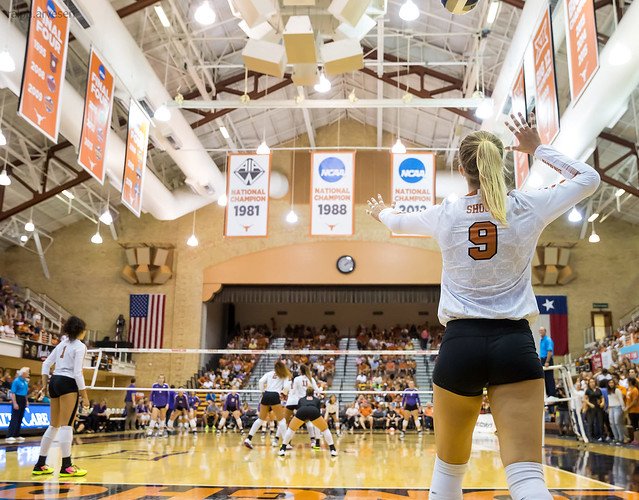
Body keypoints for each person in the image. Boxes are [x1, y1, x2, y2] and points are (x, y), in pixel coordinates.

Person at [367, 112, 600, 500]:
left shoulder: (447, 213)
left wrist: (381, 213)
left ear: (462, 169)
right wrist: (537, 148)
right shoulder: (527, 206)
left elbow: (398, 222)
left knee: (447, 476)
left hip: (460, 345)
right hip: (514, 343)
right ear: (501, 162)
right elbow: (589, 179)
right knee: (527, 481)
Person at [32, 316, 89, 477]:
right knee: (66, 426)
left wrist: (44, 383)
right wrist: (84, 395)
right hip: (68, 383)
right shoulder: (80, 346)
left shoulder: (62, 344)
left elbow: (45, 364)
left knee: (54, 425)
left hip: (54, 381)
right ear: (80, 331)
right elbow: (77, 372)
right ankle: (66, 466)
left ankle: (40, 464)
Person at [243, 360, 291, 449]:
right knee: (281, 420)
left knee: (261, 419)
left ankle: (248, 439)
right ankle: (285, 443)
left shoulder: (269, 373)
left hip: (266, 394)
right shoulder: (284, 375)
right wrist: (283, 393)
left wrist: (262, 391)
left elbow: (261, 381)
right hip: (275, 395)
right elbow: (287, 387)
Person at [278, 387, 337, 457]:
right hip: (313, 411)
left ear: (306, 393)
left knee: (291, 429)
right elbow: (317, 412)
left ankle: (283, 449)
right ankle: (332, 449)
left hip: (302, 411)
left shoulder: (301, 399)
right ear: (313, 393)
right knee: (325, 429)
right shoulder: (317, 400)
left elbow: (299, 410)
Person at [284, 365, 321, 447]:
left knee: (293, 424)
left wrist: (290, 396)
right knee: (310, 422)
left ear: (301, 371)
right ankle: (314, 441)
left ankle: (286, 442)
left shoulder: (297, 379)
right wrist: (320, 393)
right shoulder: (311, 379)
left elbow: (293, 391)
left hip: (300, 402)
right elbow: (317, 390)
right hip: (310, 402)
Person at [6, 367, 30, 443]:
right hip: (17, 399)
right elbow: (13, 393)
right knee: (15, 418)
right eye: (27, 372)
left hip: (23, 399)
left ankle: (16, 434)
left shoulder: (25, 382)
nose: (28, 374)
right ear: (23, 373)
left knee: (20, 417)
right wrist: (15, 403)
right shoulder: (16, 381)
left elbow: (25, 393)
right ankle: (10, 435)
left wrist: (26, 401)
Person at [606, 378, 625, 444]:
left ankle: (621, 438)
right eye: (609, 383)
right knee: (612, 423)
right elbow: (609, 400)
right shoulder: (607, 391)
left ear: (614, 383)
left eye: (612, 382)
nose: (611, 384)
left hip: (618, 407)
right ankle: (616, 438)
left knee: (617, 423)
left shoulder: (617, 390)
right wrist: (608, 408)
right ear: (608, 384)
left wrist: (623, 408)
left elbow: (621, 399)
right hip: (611, 408)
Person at [539, 327, 556, 399]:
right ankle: (547, 395)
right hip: (542, 360)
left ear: (545, 331)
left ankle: (552, 395)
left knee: (549, 378)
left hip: (547, 360)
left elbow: (549, 351)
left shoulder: (548, 340)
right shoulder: (541, 340)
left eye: (542, 330)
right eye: (540, 330)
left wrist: (547, 361)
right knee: (544, 378)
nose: (540, 332)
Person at [626, 378, 639, 445]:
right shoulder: (629, 389)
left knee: (635, 425)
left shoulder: (635, 390)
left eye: (627, 381)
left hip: (635, 410)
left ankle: (637, 440)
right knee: (634, 425)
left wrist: (628, 407)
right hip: (630, 411)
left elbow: (634, 401)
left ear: (630, 382)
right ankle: (635, 439)